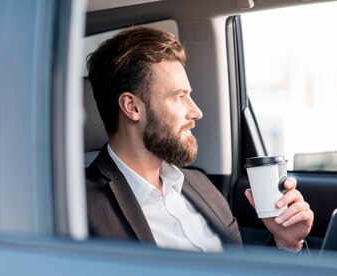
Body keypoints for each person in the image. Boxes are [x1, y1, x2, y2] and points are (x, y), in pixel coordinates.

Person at [86, 26, 313, 253]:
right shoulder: (80, 205)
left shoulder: (200, 184)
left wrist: (286, 242)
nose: (196, 112)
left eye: (189, 96)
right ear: (132, 107)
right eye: (179, 97)